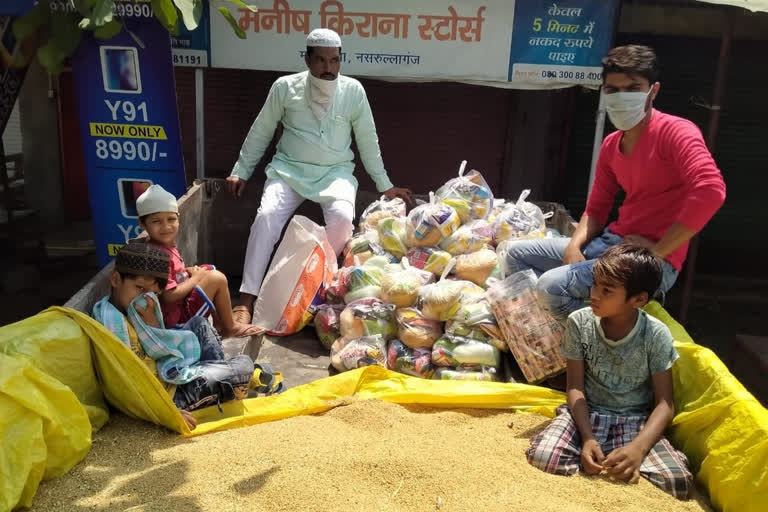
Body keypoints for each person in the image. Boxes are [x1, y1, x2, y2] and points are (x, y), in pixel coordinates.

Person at [503, 45, 726, 321]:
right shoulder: (611, 145)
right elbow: (596, 209)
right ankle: (559, 334)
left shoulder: (676, 132)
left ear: (653, 91)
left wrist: (655, 253)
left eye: (633, 88)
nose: (622, 97)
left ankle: (611, 344)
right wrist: (574, 246)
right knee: (515, 255)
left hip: (655, 263)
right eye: (613, 90)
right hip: (610, 244)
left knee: (552, 287)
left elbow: (711, 191)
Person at [226, 28, 413, 323]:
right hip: (288, 169)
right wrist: (241, 170)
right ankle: (246, 299)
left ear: (341, 60)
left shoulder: (353, 91)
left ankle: (316, 291)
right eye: (322, 60)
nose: (328, 68)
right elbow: (260, 131)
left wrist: (385, 186)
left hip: (335, 173)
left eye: (334, 61)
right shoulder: (285, 87)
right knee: (266, 217)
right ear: (308, 59)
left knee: (342, 220)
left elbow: (368, 140)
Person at [526, 244, 693, 499]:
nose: (594, 294)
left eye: (607, 291)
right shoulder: (580, 323)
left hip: (635, 421)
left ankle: (623, 457)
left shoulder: (656, 334)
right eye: (594, 285)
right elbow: (575, 388)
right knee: (544, 457)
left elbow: (664, 404)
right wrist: (588, 437)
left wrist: (638, 448)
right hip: (586, 414)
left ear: (638, 299)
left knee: (677, 482)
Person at [92, 242, 257, 430]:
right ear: (115, 280)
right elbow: (127, 383)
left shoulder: (133, 311)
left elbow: (157, 347)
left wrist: (152, 325)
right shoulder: (112, 324)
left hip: (172, 375)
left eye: (152, 293)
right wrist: (166, 412)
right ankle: (222, 382)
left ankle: (220, 380)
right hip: (169, 399)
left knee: (199, 323)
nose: (145, 298)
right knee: (244, 364)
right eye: (140, 288)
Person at [136, 184, 261, 337]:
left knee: (208, 269)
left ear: (178, 219)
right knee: (217, 278)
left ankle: (221, 322)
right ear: (143, 224)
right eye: (156, 221)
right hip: (177, 321)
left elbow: (174, 274)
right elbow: (168, 296)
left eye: (171, 219)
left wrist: (189, 272)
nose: (166, 226)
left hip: (181, 306)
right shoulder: (156, 255)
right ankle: (231, 327)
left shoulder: (164, 246)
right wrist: (195, 278)